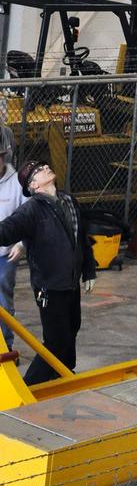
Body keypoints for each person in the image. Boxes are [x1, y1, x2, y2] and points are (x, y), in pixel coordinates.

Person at [0, 161, 96, 384]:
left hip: (70, 282)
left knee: (72, 328)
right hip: (49, 286)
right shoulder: (32, 210)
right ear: (33, 185)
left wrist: (89, 271)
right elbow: (7, 230)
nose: (46, 168)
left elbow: (82, 239)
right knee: (55, 340)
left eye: (45, 166)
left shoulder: (69, 200)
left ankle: (64, 372)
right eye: (40, 170)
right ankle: (30, 385)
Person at [0, 131, 24, 350]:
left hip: (6, 255)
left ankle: (6, 346)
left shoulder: (17, 183)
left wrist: (21, 243)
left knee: (3, 299)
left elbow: (30, 216)